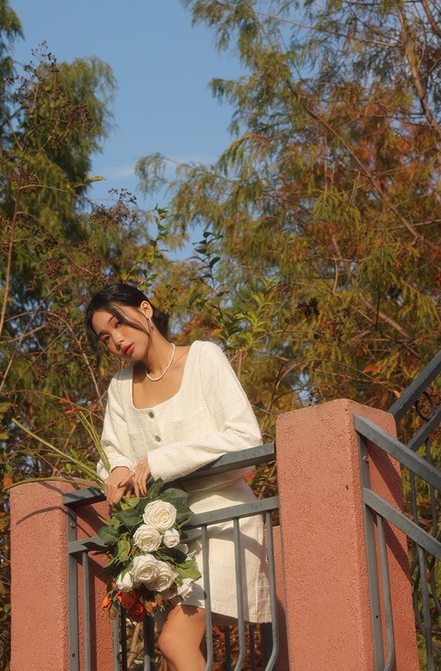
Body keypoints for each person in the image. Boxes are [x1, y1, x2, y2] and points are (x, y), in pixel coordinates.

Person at [86, 282, 271, 671]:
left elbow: (244, 434)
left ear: (147, 310)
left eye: (119, 323)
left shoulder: (203, 357)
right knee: (177, 653)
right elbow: (114, 451)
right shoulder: (120, 388)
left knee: (174, 640)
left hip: (225, 520)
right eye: (105, 337)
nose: (116, 339)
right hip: (167, 538)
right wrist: (117, 468)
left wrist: (161, 461)